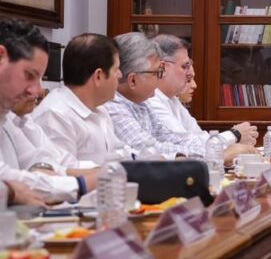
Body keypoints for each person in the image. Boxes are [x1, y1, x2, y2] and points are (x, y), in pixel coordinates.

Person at [104, 33, 253, 164]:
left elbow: (175, 141)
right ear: (133, 80)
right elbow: (151, 151)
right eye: (156, 73)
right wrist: (218, 156)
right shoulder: (114, 106)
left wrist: (217, 154)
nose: (159, 78)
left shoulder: (142, 104)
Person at [145, 35, 256, 149]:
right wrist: (235, 134)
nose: (189, 73)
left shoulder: (172, 100)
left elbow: (200, 138)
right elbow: (187, 145)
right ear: (163, 67)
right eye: (184, 66)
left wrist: (234, 139)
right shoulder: (151, 101)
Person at [34, 33, 125, 163]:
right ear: (98, 76)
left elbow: (120, 154)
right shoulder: (55, 115)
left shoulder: (99, 109)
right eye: (116, 69)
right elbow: (63, 170)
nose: (120, 75)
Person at [0, 18, 58, 205]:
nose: (35, 91)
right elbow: (6, 177)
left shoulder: (5, 116)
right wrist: (10, 192)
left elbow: (34, 160)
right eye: (29, 75)